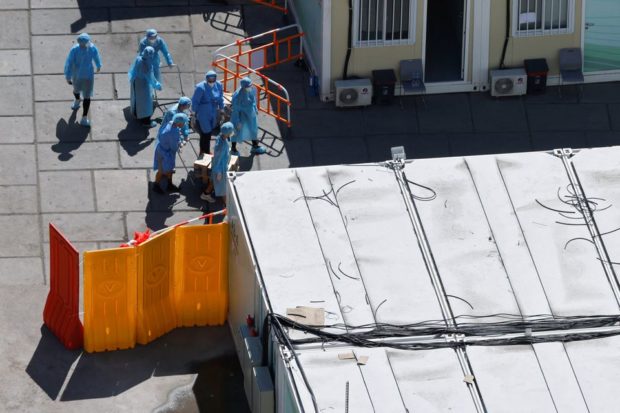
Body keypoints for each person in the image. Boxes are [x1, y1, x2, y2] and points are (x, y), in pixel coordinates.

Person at [64, 33, 102, 127]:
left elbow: (96, 56)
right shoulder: (78, 49)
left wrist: (98, 64)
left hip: (84, 75)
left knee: (85, 95)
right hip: (82, 75)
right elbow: (69, 62)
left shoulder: (87, 48)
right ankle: (78, 102)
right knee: (80, 93)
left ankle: (83, 115)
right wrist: (68, 75)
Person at [153, 113, 189, 194]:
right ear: (179, 123)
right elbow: (174, 146)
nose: (184, 124)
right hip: (164, 154)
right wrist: (180, 145)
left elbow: (175, 138)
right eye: (183, 123)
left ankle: (169, 184)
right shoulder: (171, 132)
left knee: (170, 169)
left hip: (166, 151)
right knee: (161, 170)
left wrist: (180, 140)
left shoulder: (171, 123)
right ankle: (156, 185)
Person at [191, 70, 224, 156]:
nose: (212, 80)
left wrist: (222, 110)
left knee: (209, 132)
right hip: (203, 113)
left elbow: (220, 98)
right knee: (206, 133)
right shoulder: (200, 87)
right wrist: (193, 115)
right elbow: (195, 101)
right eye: (210, 78)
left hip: (213, 112)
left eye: (213, 78)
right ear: (206, 78)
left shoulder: (219, 85)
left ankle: (205, 150)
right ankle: (204, 151)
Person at [230, 77, 266, 155]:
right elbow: (235, 110)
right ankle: (233, 149)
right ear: (243, 87)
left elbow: (253, 100)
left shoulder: (251, 90)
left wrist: (255, 109)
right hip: (241, 116)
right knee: (236, 131)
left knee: (253, 130)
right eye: (248, 86)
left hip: (251, 116)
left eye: (250, 85)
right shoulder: (237, 96)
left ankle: (255, 146)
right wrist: (237, 121)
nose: (250, 87)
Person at [128, 46, 162, 128]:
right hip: (143, 86)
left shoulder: (139, 58)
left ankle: (137, 114)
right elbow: (151, 78)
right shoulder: (146, 66)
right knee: (145, 103)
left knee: (136, 100)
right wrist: (158, 86)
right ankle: (145, 121)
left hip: (136, 82)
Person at [201, 122, 234, 204]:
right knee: (222, 188)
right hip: (220, 168)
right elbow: (219, 158)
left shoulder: (221, 136)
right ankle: (227, 207)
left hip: (217, 165)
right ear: (228, 133)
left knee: (213, 181)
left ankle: (205, 194)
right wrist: (218, 172)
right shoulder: (221, 146)